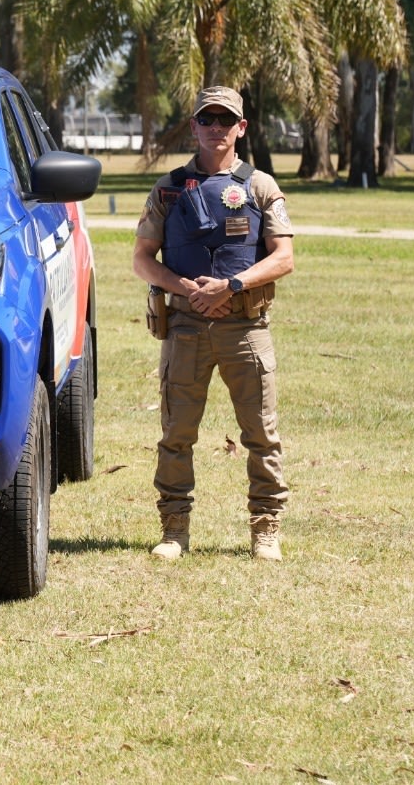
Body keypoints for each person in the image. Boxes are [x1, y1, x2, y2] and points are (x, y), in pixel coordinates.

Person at [131, 86, 295, 562]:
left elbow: (284, 257)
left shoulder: (261, 187)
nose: (216, 127)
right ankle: (174, 529)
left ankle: (266, 528)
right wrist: (189, 290)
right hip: (185, 328)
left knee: (261, 434)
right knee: (176, 433)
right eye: (208, 119)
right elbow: (143, 260)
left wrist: (232, 286)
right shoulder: (167, 189)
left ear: (242, 127)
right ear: (194, 127)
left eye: (226, 119)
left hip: (246, 328)